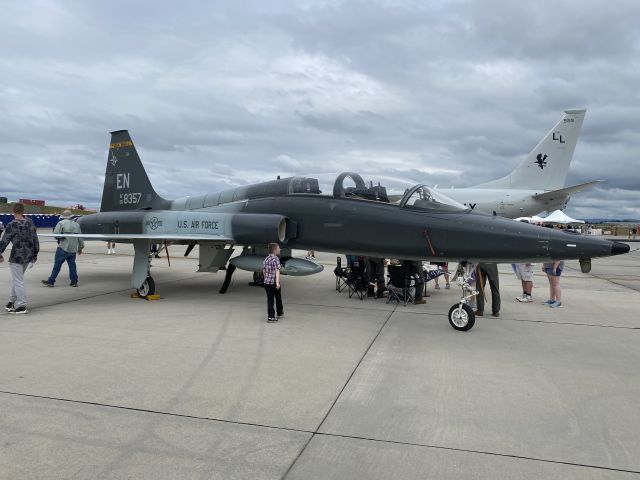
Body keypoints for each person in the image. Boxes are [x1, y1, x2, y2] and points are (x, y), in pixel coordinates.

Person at [0, 203, 39, 314]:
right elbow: (35, 240)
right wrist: (35, 255)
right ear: (23, 211)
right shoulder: (30, 223)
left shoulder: (11, 225)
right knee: (18, 280)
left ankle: (22, 305)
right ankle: (11, 302)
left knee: (18, 281)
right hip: (28, 256)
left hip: (16, 257)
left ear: (13, 211)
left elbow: (4, 241)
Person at [42, 211, 84, 287]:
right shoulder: (77, 225)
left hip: (62, 248)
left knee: (57, 265)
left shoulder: (61, 223)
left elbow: (55, 235)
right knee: (72, 266)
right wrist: (80, 247)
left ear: (64, 216)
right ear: (71, 216)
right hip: (73, 249)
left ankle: (51, 281)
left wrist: (61, 237)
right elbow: (80, 238)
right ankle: (74, 281)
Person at [262, 243, 284, 322]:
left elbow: (264, 270)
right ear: (274, 250)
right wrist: (277, 283)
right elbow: (277, 271)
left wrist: (266, 279)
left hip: (267, 283)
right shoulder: (276, 259)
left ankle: (270, 317)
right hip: (274, 283)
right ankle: (279, 313)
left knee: (270, 300)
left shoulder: (266, 259)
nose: (279, 249)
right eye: (278, 248)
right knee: (278, 297)